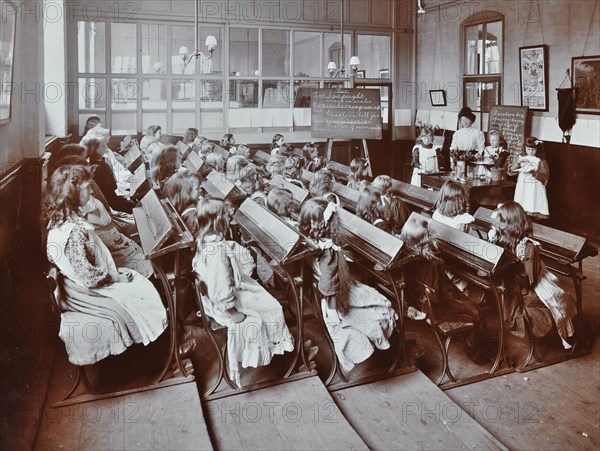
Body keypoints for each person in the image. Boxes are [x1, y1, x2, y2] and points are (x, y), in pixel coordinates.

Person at [44, 165, 167, 365]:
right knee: (143, 292)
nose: (92, 190)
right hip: (88, 290)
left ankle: (160, 346)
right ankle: (161, 356)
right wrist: (115, 277)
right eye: (86, 187)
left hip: (81, 283)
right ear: (72, 193)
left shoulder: (62, 220)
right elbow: (89, 277)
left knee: (140, 285)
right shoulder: (73, 232)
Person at [192, 197, 294, 386]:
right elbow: (220, 286)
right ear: (217, 220)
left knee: (260, 294)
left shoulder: (206, 241)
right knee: (273, 307)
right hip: (225, 305)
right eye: (225, 212)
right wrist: (233, 312)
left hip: (217, 300)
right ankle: (285, 356)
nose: (229, 214)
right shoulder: (217, 251)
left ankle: (280, 348)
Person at [298, 198, 397, 372]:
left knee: (375, 300)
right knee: (383, 309)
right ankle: (390, 353)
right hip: (337, 300)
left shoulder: (309, 241)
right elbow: (329, 286)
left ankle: (388, 347)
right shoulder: (329, 255)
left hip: (331, 293)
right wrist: (333, 312)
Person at [400, 217, 490, 363]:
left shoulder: (406, 255)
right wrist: (457, 297)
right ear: (425, 239)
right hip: (435, 307)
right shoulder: (431, 264)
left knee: (466, 302)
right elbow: (438, 298)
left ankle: (468, 339)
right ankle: (476, 353)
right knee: (476, 313)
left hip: (419, 302)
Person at [488, 201, 576, 349]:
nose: (496, 226)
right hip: (513, 284)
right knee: (508, 301)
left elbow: (528, 283)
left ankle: (548, 326)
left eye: (500, 223)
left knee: (527, 304)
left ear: (510, 224)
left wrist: (512, 269)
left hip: (534, 287)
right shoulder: (502, 240)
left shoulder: (528, 247)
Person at [431, 180, 475, 296]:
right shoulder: (462, 220)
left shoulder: (437, 214)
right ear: (459, 201)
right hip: (453, 260)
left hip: (439, 256)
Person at [85, 137, 135, 213]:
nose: (106, 147)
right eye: (103, 145)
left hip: (111, 198)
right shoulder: (97, 168)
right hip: (109, 204)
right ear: (94, 149)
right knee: (133, 205)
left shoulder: (100, 162)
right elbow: (108, 194)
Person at [510, 137, 550, 220]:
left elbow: (544, 177)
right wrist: (518, 163)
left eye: (533, 150)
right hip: (523, 183)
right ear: (525, 148)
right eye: (528, 149)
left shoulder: (540, 160)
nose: (531, 152)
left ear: (537, 150)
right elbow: (511, 170)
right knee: (522, 197)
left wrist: (534, 172)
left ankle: (532, 217)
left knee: (532, 198)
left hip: (535, 184)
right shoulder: (520, 157)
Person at [163, 172, 202, 236]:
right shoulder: (192, 215)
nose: (200, 190)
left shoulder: (179, 204)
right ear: (186, 193)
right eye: (197, 188)